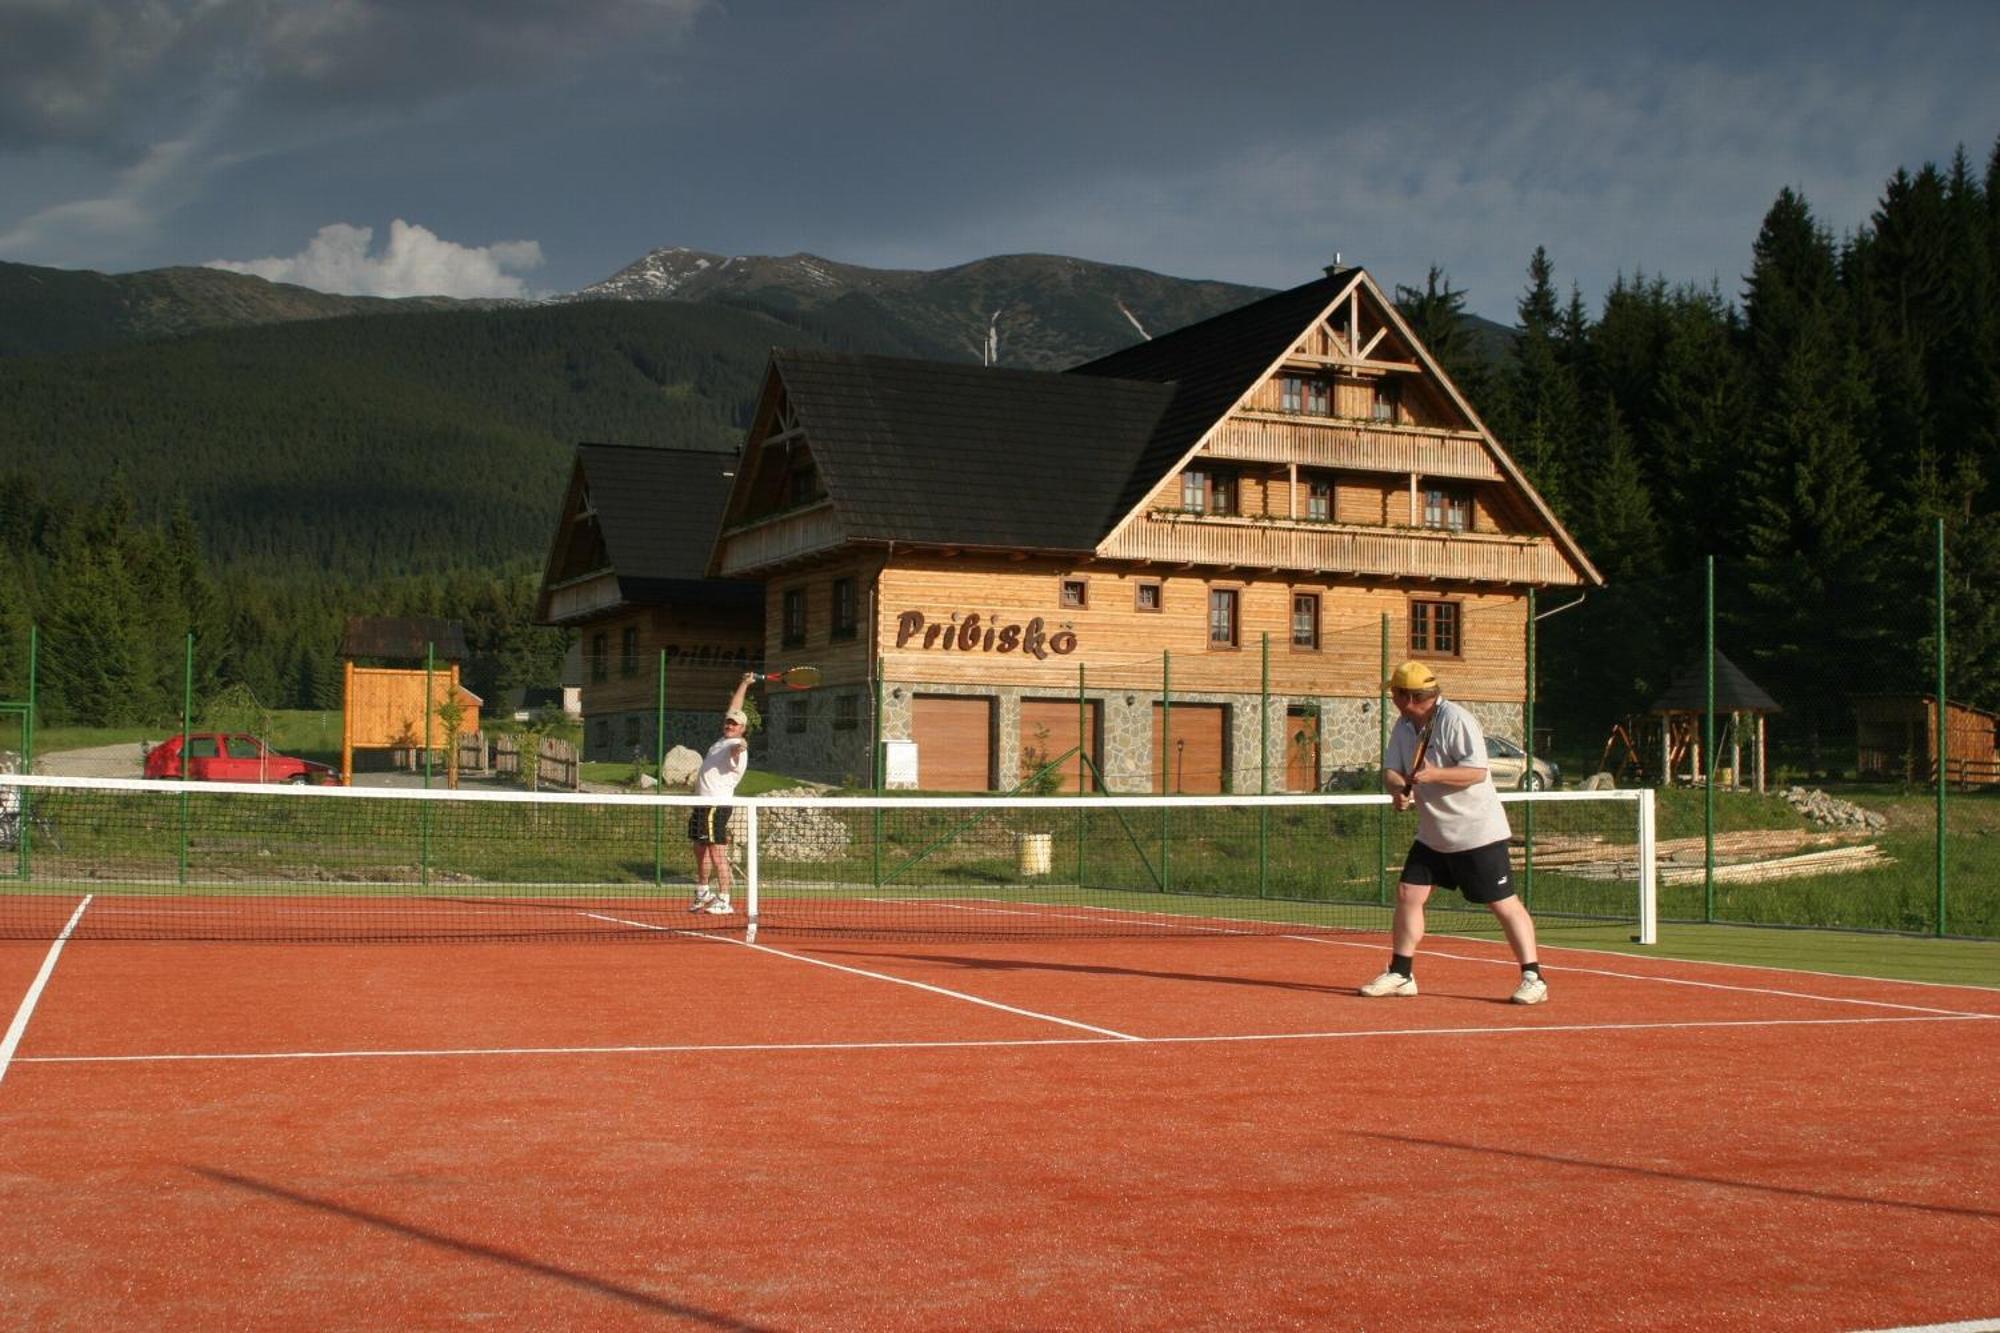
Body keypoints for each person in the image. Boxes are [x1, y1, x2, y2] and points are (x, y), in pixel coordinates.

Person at [1360, 660, 1548, 1005]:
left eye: (1394, 692)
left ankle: (1533, 976)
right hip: (1433, 834)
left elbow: (1476, 772)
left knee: (1503, 904)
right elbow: (1391, 770)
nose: (1392, 698)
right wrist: (1398, 791)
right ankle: (1401, 973)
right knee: (1408, 894)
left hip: (1477, 832)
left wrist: (1434, 776)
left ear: (1406, 695)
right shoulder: (1402, 726)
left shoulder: (1456, 721)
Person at [688, 672, 758, 915]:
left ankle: (725, 899)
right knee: (700, 847)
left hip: (716, 805)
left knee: (717, 851)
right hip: (702, 803)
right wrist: (745, 683)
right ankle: (703, 891)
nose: (729, 725)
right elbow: (735, 707)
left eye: (734, 724)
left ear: (742, 729)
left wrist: (741, 745)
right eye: (728, 722)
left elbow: (739, 748)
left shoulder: (735, 746)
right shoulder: (721, 740)